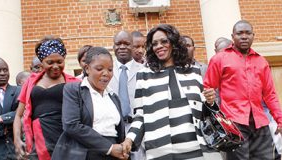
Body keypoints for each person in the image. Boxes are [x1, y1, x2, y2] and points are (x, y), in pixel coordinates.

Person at [121, 24, 218, 160]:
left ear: (174, 43)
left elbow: (204, 112)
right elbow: (140, 115)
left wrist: (211, 101)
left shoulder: (193, 71)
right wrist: (129, 139)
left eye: (164, 41)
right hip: (161, 149)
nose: (159, 46)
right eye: (154, 44)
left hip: (197, 147)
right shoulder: (144, 75)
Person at [204, 20, 282, 160]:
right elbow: (208, 88)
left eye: (248, 33)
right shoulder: (219, 59)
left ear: (253, 36)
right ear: (233, 36)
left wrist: (280, 119)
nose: (244, 36)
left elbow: (270, 94)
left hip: (260, 122)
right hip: (234, 122)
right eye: (239, 33)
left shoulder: (261, 61)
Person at [51, 47, 126, 160]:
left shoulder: (113, 97)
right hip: (85, 153)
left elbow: (120, 132)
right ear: (87, 68)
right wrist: (109, 147)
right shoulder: (74, 90)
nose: (106, 73)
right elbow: (71, 125)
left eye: (110, 70)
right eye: (99, 68)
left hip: (113, 155)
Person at [13, 36, 79, 160]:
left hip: (66, 137)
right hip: (38, 138)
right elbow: (18, 115)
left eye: (59, 62)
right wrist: (17, 140)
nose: (55, 66)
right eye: (50, 62)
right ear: (42, 62)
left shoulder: (75, 83)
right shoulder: (31, 82)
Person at [108, 31, 145, 160]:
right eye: (118, 44)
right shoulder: (106, 70)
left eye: (126, 44)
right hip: (113, 129)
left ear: (132, 46)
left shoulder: (145, 70)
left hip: (139, 127)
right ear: (113, 47)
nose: (122, 47)